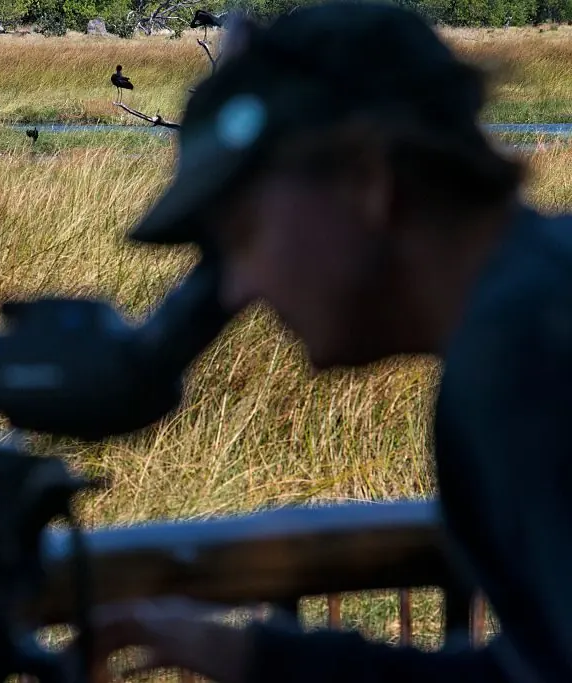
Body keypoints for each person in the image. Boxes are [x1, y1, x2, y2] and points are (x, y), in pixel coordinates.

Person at [79, 3, 572, 683]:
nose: (238, 288)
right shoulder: (541, 287)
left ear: (371, 180)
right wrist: (259, 656)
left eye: (246, 234)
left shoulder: (518, 360)